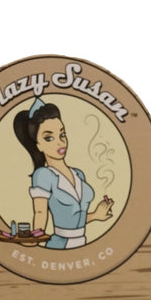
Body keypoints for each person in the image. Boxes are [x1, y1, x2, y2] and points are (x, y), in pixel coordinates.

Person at [13, 98, 114, 248]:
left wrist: (96, 215)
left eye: (62, 134)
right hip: (60, 245)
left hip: (82, 243)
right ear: (38, 145)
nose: (60, 142)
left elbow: (74, 218)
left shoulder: (78, 174)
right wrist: (34, 238)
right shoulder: (43, 175)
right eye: (49, 138)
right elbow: (40, 212)